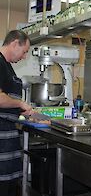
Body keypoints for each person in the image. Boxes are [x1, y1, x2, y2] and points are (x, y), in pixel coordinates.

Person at [0, 30, 34, 196]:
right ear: (14, 44)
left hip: (7, 135)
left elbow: (7, 101)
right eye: (25, 51)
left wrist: (22, 110)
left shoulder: (7, 66)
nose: (24, 56)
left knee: (9, 185)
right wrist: (20, 103)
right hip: (1, 137)